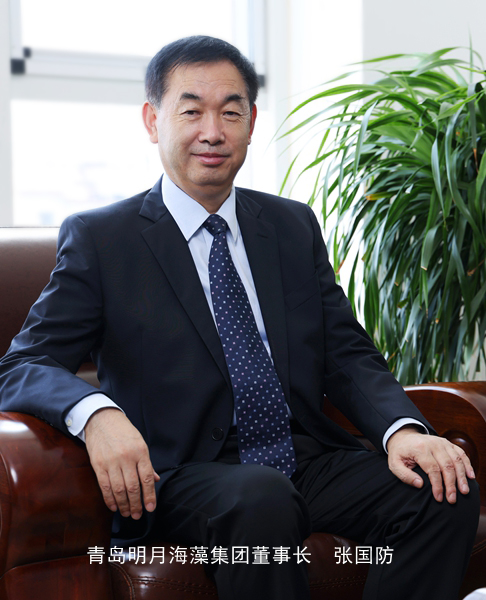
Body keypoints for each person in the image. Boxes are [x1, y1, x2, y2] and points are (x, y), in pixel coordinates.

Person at [0, 35, 480, 600]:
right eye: (191, 111)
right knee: (260, 497)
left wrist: (403, 430)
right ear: (153, 121)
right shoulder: (103, 238)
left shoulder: (291, 226)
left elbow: (346, 353)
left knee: (442, 486)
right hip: (180, 477)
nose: (213, 132)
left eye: (231, 112)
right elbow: (23, 363)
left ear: (251, 123)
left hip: (302, 459)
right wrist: (97, 415)